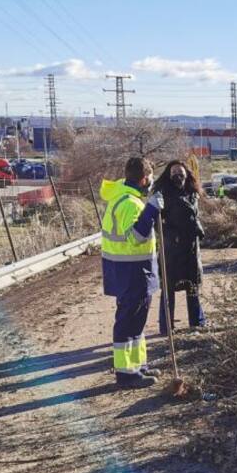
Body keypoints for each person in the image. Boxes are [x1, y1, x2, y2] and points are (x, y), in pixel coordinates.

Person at [100, 157, 164, 390]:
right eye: (150, 179)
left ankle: (138, 365)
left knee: (137, 322)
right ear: (144, 178)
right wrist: (151, 210)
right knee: (128, 323)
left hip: (131, 271)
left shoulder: (124, 198)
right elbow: (136, 237)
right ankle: (126, 374)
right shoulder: (129, 203)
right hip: (132, 272)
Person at [153, 160, 207, 334]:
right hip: (171, 248)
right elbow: (156, 221)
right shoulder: (161, 193)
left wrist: (198, 227)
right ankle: (167, 326)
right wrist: (170, 235)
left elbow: (194, 215)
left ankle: (197, 323)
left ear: (186, 174)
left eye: (181, 171)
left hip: (191, 247)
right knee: (168, 289)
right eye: (174, 171)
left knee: (193, 286)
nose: (178, 174)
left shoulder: (192, 192)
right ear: (168, 174)